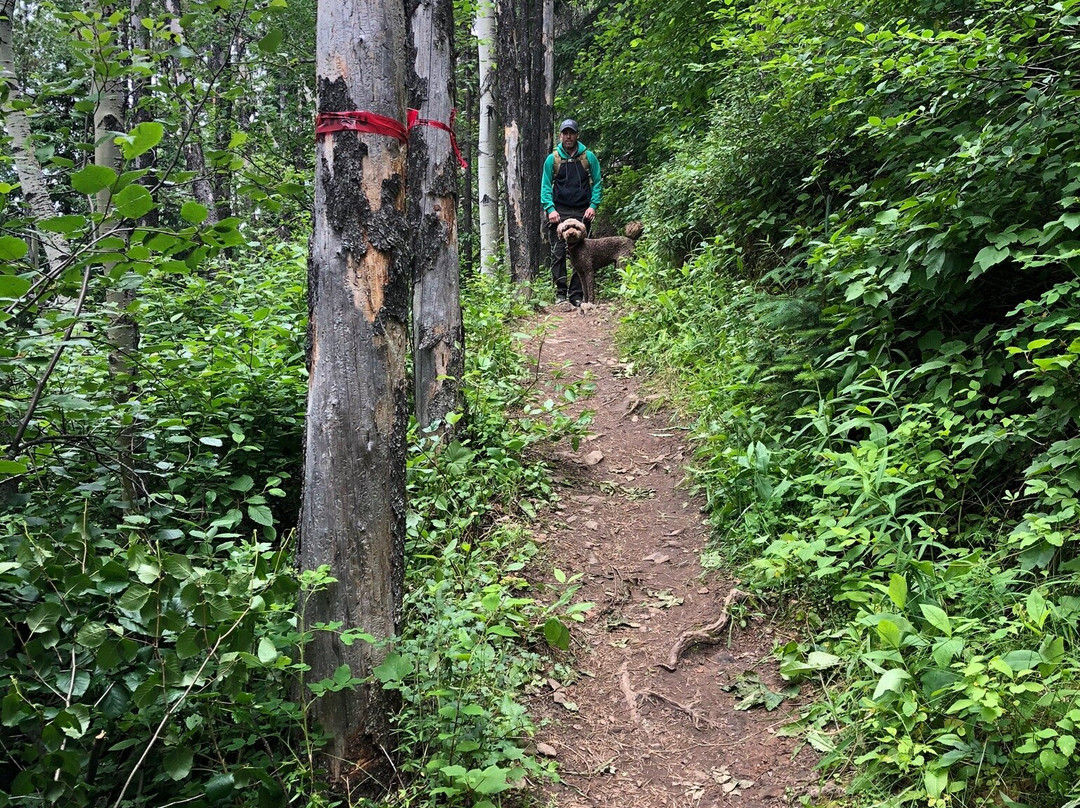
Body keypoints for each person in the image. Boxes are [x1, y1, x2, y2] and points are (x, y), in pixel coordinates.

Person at [541, 119, 602, 306]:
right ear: (560, 135)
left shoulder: (588, 157)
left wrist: (593, 205)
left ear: (577, 135)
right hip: (560, 212)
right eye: (565, 133)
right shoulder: (553, 159)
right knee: (558, 252)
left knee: (581, 254)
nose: (568, 136)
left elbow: (598, 182)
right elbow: (545, 186)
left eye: (571, 133)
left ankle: (576, 295)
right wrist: (550, 209)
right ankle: (560, 293)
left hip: (583, 212)